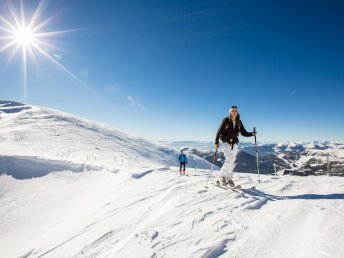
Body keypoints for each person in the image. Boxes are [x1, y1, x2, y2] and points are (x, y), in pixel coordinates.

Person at [215, 105, 256, 186]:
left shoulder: (239, 122)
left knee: (232, 161)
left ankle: (229, 178)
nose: (234, 112)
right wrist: (216, 143)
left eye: (235, 111)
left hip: (235, 143)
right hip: (226, 143)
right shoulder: (226, 120)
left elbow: (244, 133)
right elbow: (219, 132)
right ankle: (222, 177)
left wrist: (252, 134)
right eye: (232, 111)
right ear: (230, 112)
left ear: (237, 112)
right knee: (229, 159)